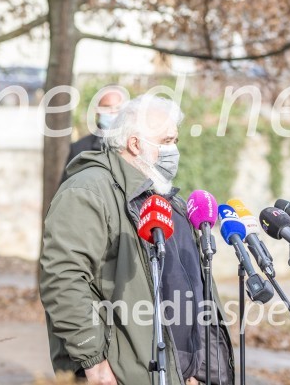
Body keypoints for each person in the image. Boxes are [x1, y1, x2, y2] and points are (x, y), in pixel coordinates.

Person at [40, 94, 233, 385]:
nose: (173, 150)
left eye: (175, 142)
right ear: (135, 144)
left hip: (180, 374)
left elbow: (193, 286)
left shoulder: (169, 201)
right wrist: (94, 364)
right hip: (120, 374)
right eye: (167, 141)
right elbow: (63, 279)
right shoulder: (88, 191)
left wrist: (198, 370)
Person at [61, 86, 125, 183]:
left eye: (117, 108)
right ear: (97, 110)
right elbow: (68, 190)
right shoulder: (79, 149)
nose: (112, 112)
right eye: (106, 107)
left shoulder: (136, 146)